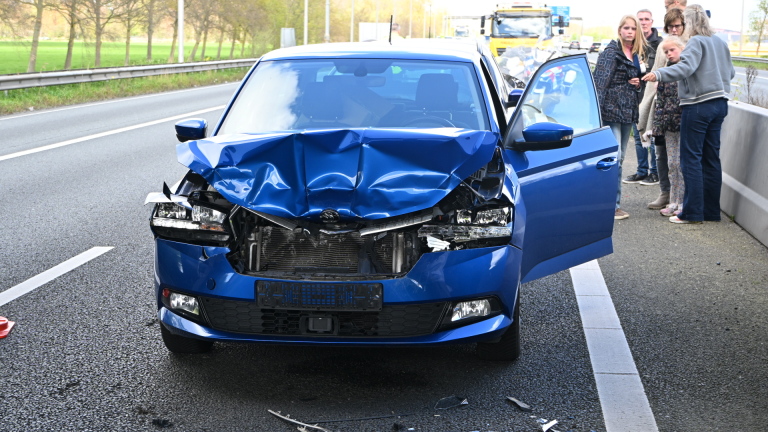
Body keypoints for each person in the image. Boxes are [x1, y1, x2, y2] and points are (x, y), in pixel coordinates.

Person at [642, 4, 735, 224]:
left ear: (690, 22)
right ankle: (711, 212)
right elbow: (730, 72)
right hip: (720, 104)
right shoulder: (720, 42)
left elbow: (685, 69)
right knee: (711, 159)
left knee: (690, 159)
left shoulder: (696, 41)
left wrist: (658, 73)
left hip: (698, 105)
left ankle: (691, 213)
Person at [594, 15, 646, 220]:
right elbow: (600, 83)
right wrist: (597, 114)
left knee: (621, 158)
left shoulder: (635, 54)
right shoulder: (610, 53)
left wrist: (638, 83)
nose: (630, 31)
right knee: (614, 157)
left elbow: (637, 81)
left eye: (633, 28)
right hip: (611, 111)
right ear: (619, 30)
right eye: (626, 28)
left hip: (628, 112)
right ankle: (610, 205)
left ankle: (612, 203)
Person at [639, 0, 687, 210]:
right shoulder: (663, 46)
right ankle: (665, 193)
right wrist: (648, 107)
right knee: (661, 154)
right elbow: (657, 73)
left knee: (681, 160)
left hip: (682, 110)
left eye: (678, 26)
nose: (674, 30)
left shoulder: (691, 44)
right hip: (662, 105)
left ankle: (681, 198)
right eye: (671, 27)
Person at [623, 9, 663, 186]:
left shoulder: (660, 44)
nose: (644, 22)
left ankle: (655, 173)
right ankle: (641, 171)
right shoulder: (632, 45)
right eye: (640, 20)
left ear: (652, 22)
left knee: (652, 136)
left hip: (653, 98)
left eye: (647, 19)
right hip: (635, 97)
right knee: (638, 136)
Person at [653, 35, 686, 218]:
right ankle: (673, 200)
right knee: (672, 164)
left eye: (672, 50)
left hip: (684, 124)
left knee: (683, 164)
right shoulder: (665, 72)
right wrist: (657, 127)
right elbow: (660, 101)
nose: (669, 54)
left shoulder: (688, 70)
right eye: (666, 51)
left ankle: (683, 202)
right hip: (669, 125)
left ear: (682, 48)